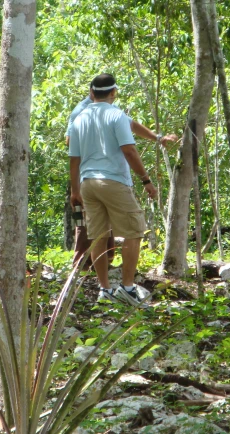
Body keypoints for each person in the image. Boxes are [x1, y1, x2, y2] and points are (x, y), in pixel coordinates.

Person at [68, 73, 160, 307]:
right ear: (113, 93)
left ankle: (104, 289)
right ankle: (127, 289)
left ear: (91, 93)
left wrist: (74, 190)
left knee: (98, 235)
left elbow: (74, 159)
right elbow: (129, 150)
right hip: (113, 181)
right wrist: (146, 180)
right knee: (133, 231)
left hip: (88, 183)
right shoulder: (116, 115)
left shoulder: (79, 118)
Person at [66, 89, 176, 270]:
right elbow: (71, 143)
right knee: (100, 228)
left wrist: (158, 138)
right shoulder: (81, 112)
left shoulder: (111, 109)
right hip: (96, 175)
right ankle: (84, 268)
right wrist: (74, 188)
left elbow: (131, 124)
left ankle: (104, 273)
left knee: (101, 229)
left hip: (96, 179)